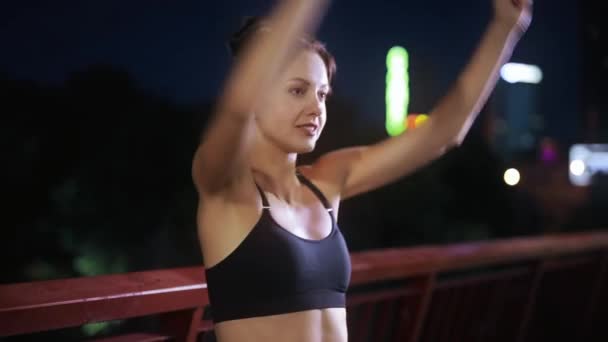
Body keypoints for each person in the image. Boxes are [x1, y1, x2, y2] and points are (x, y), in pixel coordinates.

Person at [192, 0, 533, 341]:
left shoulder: (325, 184)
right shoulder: (226, 186)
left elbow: (444, 133)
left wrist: (506, 28)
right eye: (298, 91)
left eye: (323, 94)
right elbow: (236, 108)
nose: (316, 108)